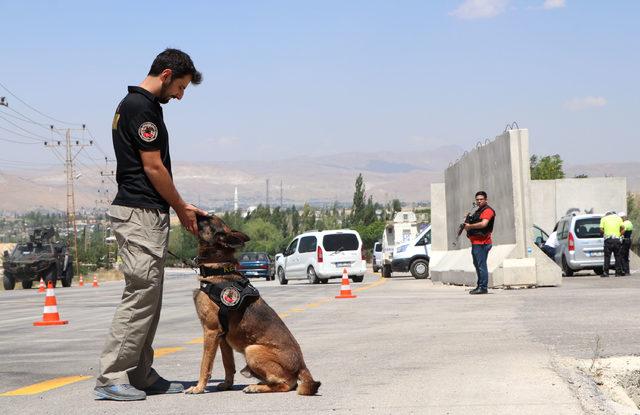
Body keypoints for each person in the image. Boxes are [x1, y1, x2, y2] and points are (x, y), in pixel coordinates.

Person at [94, 49, 207, 401]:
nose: (180, 95)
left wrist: (176, 206)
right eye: (180, 87)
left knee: (151, 298)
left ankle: (141, 374)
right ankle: (110, 377)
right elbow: (154, 167)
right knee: (141, 295)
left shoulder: (141, 105)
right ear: (167, 74)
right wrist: (181, 207)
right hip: (138, 213)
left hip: (147, 213)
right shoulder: (140, 108)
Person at [464, 191, 496, 295]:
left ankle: (483, 287)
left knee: (481, 265)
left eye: (481, 199)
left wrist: (470, 227)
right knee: (477, 264)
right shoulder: (478, 210)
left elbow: (483, 224)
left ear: (486, 200)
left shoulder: (488, 211)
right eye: (477, 199)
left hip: (482, 242)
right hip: (476, 242)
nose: (479, 201)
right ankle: (480, 285)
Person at [599, 211, 625, 278]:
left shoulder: (603, 219)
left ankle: (606, 273)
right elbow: (623, 229)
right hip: (617, 240)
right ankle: (617, 272)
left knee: (607, 256)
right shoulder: (619, 218)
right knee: (617, 256)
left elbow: (601, 229)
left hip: (608, 240)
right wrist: (619, 235)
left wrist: (605, 234)